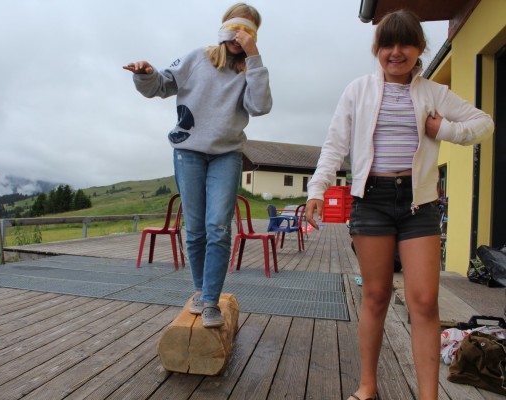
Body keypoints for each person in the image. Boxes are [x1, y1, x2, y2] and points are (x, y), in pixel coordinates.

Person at [305, 10, 493, 400]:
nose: (396, 51)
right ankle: (367, 386)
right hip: (371, 201)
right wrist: (316, 190)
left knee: (423, 301)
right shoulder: (358, 90)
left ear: (420, 48)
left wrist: (445, 129)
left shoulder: (433, 93)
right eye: (387, 44)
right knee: (375, 296)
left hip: (418, 205)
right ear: (377, 49)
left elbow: (483, 123)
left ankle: (428, 396)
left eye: (405, 43)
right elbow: (335, 145)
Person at [123, 3, 272, 328]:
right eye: (236, 27)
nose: (240, 36)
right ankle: (201, 291)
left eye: (248, 32)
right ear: (224, 27)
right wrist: (144, 74)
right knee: (195, 228)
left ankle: (210, 301)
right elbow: (161, 85)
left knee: (218, 226)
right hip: (188, 152)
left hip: (226, 154)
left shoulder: (249, 70)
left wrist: (255, 57)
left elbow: (260, 106)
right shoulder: (196, 58)